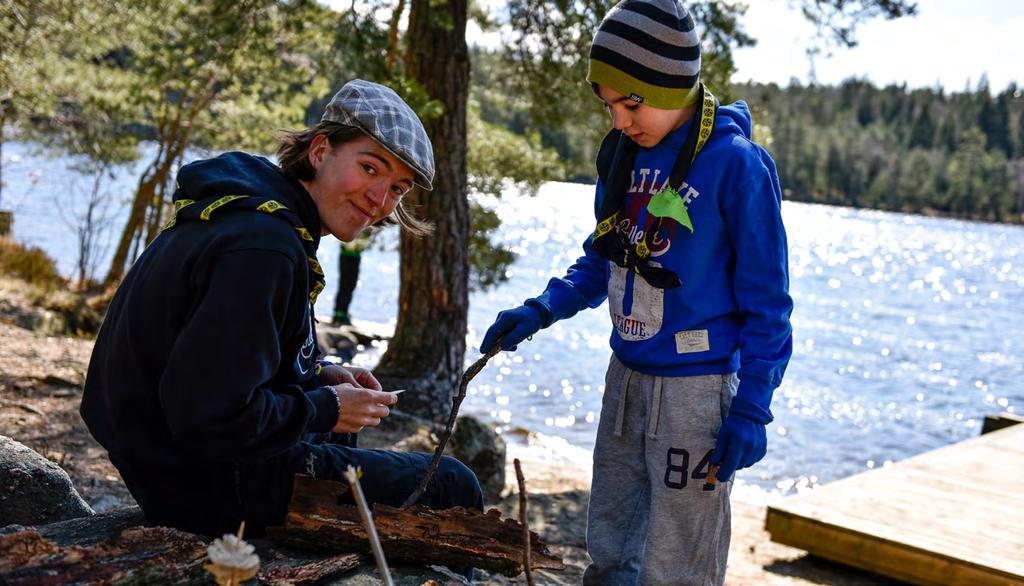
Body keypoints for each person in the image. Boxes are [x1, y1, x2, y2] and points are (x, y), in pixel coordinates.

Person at [81, 79, 483, 538]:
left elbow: (223, 363)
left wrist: (318, 375)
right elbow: (212, 418)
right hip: (197, 480)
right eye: (370, 168)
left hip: (171, 460)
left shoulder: (260, 215)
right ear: (319, 151)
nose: (379, 200)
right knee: (453, 483)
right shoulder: (263, 248)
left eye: (397, 189)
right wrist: (324, 407)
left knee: (337, 431)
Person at [480, 1, 793, 583]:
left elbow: (768, 303)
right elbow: (605, 257)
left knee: (680, 556)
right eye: (608, 105)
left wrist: (753, 404)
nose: (620, 119)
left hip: (695, 392)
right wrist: (544, 307)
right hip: (624, 379)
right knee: (612, 540)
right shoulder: (621, 154)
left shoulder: (735, 165)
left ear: (674, 84)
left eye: (632, 102)